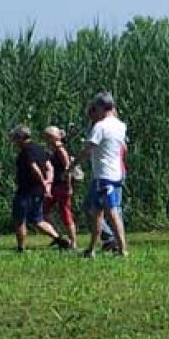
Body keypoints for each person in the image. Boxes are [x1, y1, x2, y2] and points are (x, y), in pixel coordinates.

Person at [74, 92, 129, 258]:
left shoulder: (100, 126)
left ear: (100, 107)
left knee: (111, 213)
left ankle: (122, 249)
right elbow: (123, 148)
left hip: (105, 175)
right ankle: (91, 249)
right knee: (95, 211)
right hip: (114, 173)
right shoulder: (121, 125)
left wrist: (72, 165)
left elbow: (88, 148)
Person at [10, 126, 72, 252]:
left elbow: (34, 168)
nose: (14, 141)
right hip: (38, 191)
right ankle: (59, 239)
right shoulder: (39, 149)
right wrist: (48, 183)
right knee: (38, 220)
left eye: (15, 138)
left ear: (21, 138)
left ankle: (21, 247)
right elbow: (50, 167)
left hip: (26, 190)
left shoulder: (26, 151)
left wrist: (44, 183)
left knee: (20, 219)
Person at [43, 126, 77, 248]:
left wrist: (69, 186)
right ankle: (58, 236)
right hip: (55, 185)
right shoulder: (52, 150)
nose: (46, 139)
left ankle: (73, 242)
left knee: (65, 213)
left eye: (47, 136)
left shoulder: (61, 150)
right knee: (44, 211)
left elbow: (67, 168)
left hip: (62, 185)